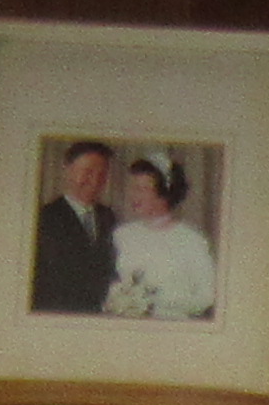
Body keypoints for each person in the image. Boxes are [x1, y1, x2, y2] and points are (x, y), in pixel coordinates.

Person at [107, 152, 219, 321]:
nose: (133, 196)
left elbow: (208, 296)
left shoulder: (191, 240)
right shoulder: (121, 235)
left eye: (142, 189)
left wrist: (154, 303)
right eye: (132, 188)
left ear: (164, 193)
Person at [27, 136, 119, 315]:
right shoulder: (43, 218)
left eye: (102, 174)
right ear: (67, 170)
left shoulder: (109, 217)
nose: (95, 180)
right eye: (88, 171)